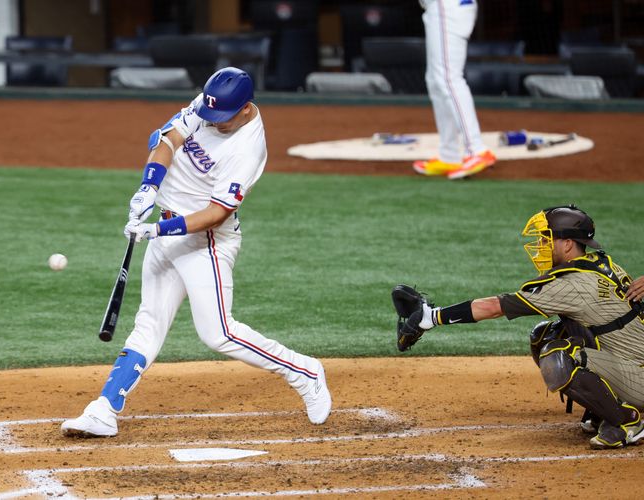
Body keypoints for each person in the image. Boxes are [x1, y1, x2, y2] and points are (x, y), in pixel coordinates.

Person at [61, 67, 332, 437]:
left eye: (223, 118)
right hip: (166, 230)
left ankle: (304, 371)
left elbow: (215, 214)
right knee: (148, 325)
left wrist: (157, 228)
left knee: (218, 332)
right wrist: (148, 189)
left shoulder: (248, 149)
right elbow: (168, 138)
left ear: (246, 109)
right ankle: (104, 409)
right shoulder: (211, 103)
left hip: (205, 240)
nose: (214, 122)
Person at [394, 205, 644, 449]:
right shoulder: (600, 263)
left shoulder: (573, 285)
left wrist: (432, 317)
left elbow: (495, 306)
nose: (541, 246)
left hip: (639, 375)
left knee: (557, 356)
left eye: (547, 239)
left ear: (568, 243)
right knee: (548, 333)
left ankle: (626, 422)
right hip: (632, 359)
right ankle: (605, 407)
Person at [413, 0, 496, 180]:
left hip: (447, 6)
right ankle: (448, 154)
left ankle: (476, 150)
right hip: (442, 7)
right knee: (435, 80)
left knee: (448, 79)